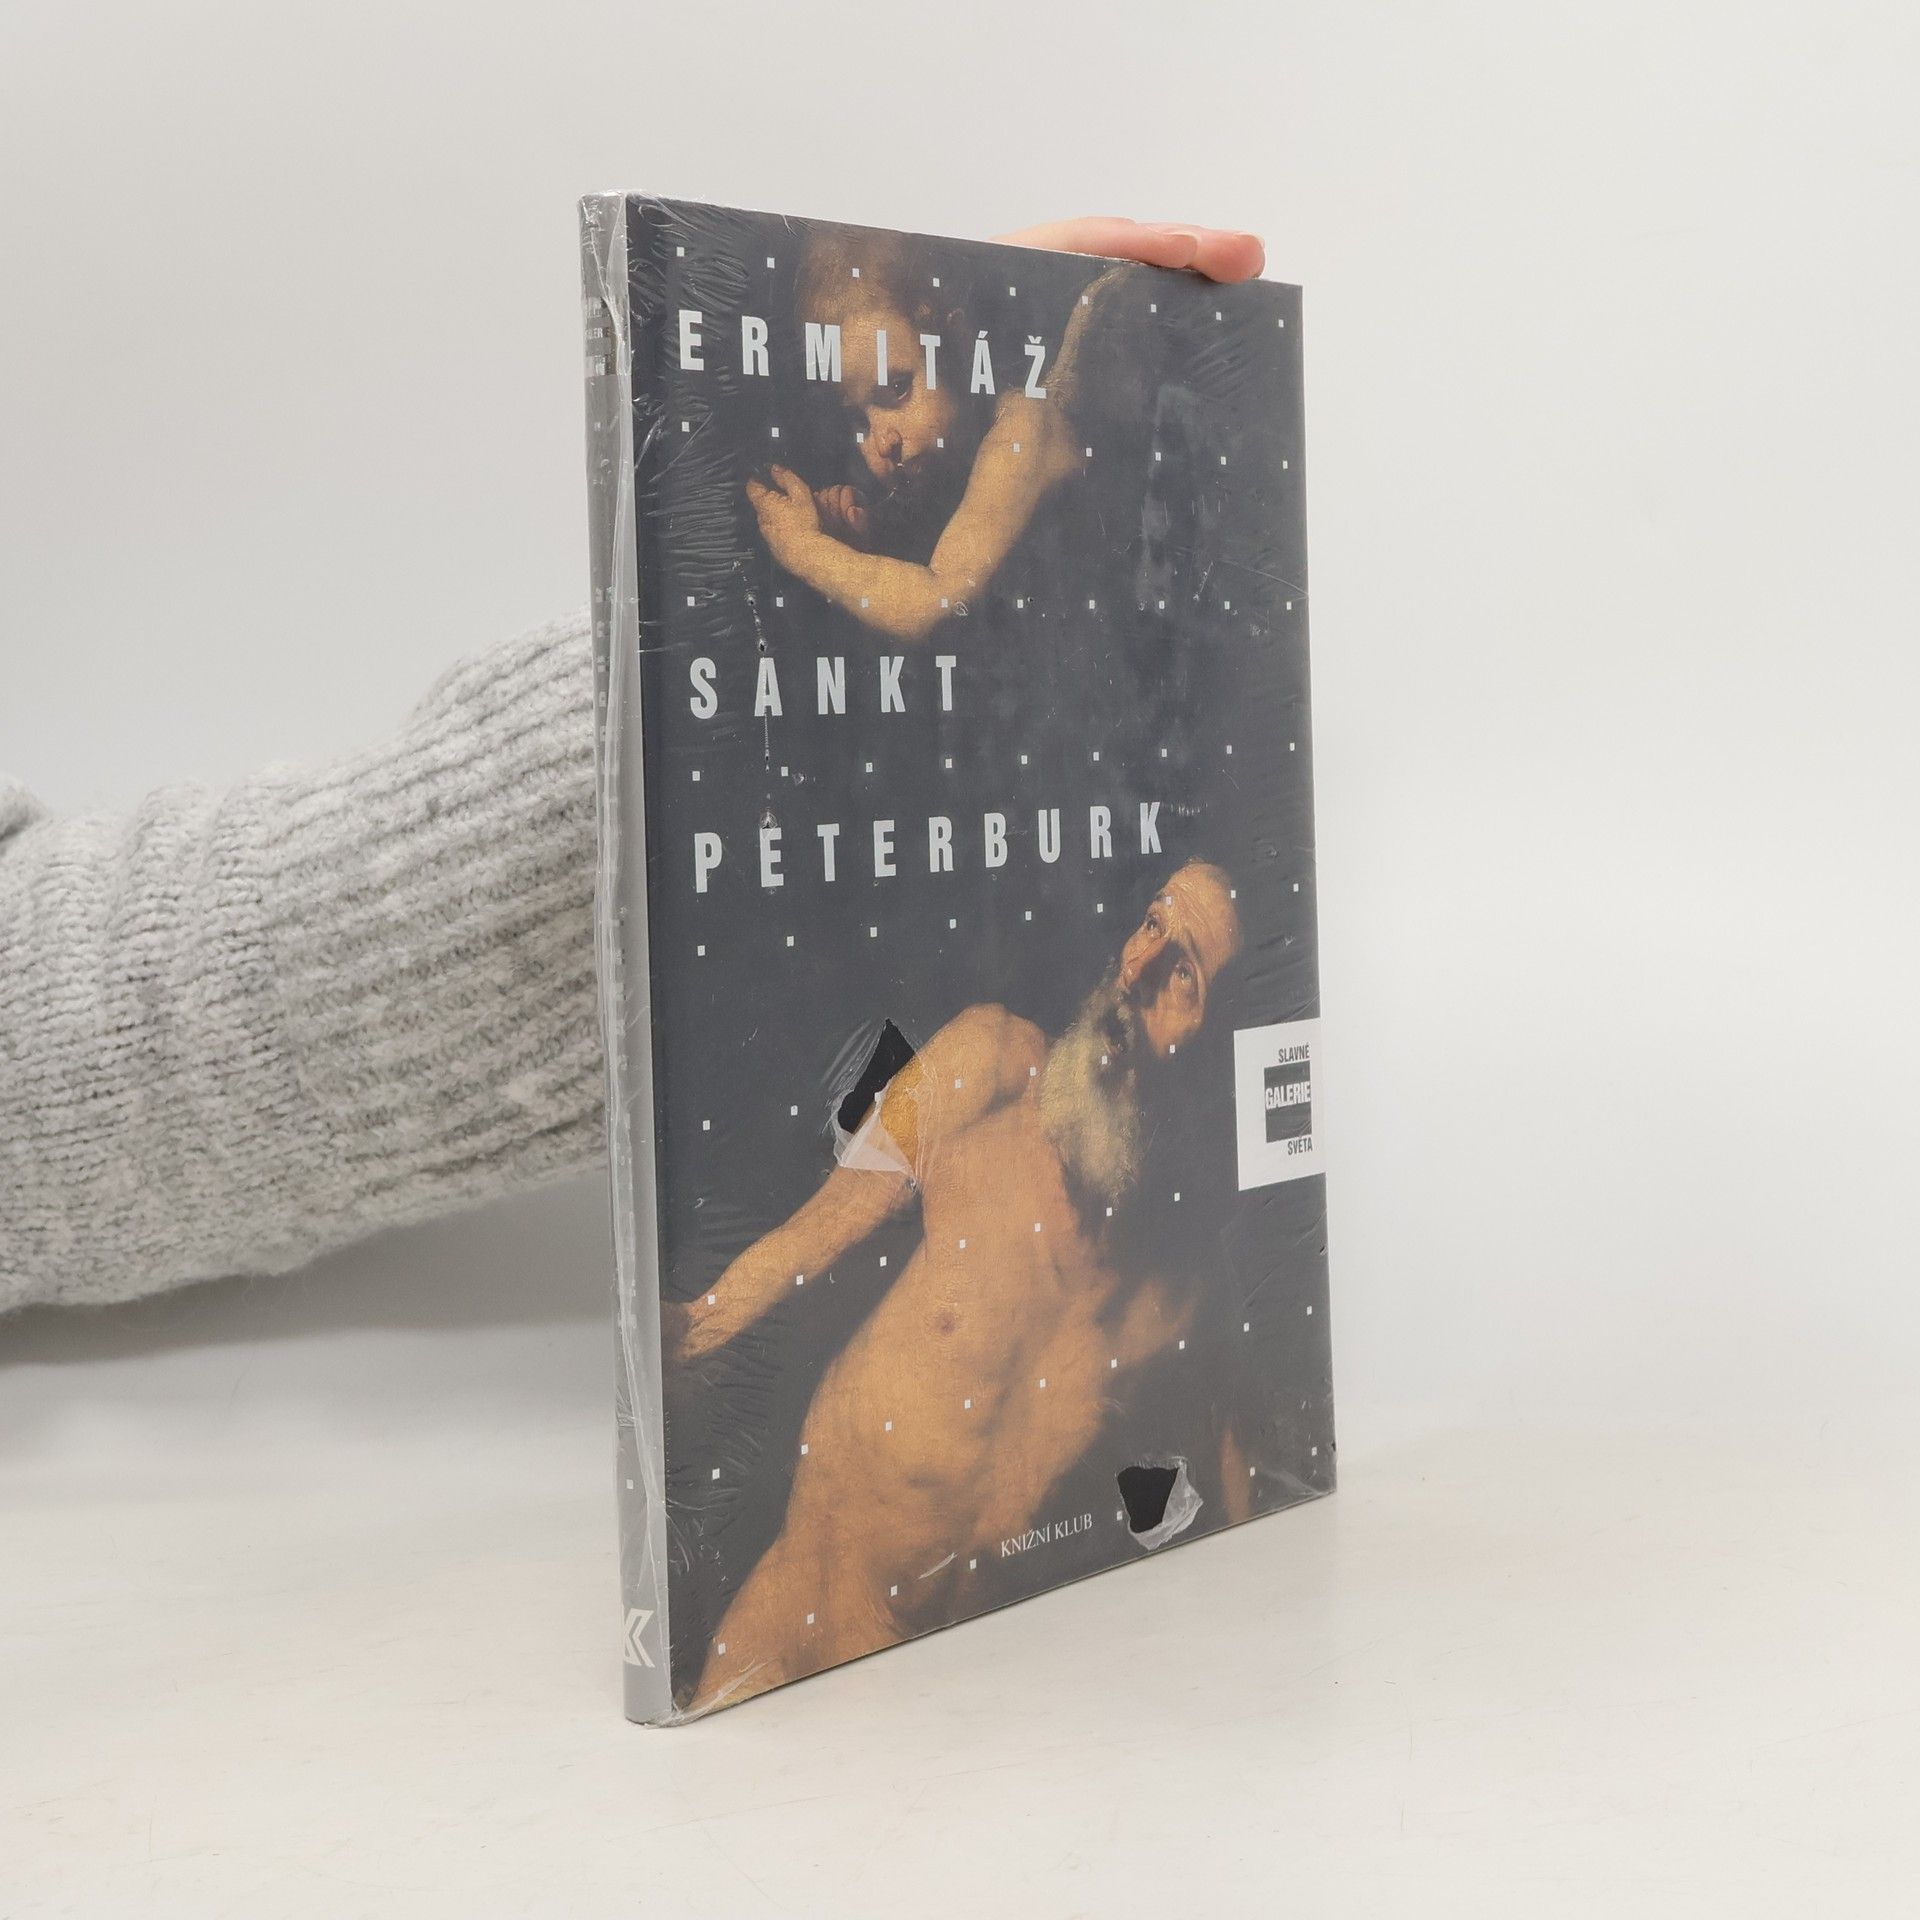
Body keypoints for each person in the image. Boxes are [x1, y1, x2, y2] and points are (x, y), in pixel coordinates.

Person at [0, 218, 1264, 1317]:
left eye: (890, 391)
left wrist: (804, 558)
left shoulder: (1019, 435)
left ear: (954, 333)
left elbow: (933, 594)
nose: (878, 443)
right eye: (856, 418)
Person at [678, 861, 1246, 1713]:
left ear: (1214, 1036)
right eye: (1151, 924)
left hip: (946, 1687)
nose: (1137, 968)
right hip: (795, 1611)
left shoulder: (1180, 1286)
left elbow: (1234, 1472)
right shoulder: (989, 1060)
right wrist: (691, 1329)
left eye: (1184, 974)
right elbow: (821, 1226)